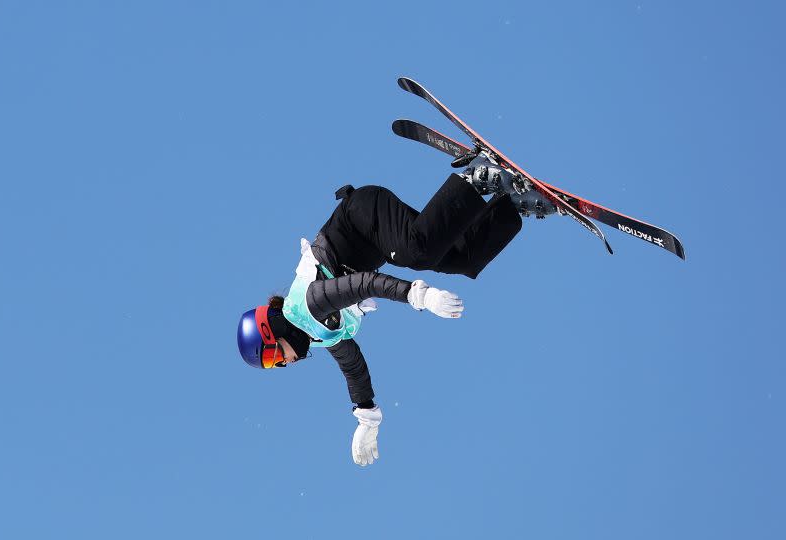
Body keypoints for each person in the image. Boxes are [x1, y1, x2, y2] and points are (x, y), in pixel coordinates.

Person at [236, 153, 556, 466]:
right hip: (378, 238)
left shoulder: (310, 304)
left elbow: (364, 284)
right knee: (463, 260)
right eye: (274, 365)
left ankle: (477, 178)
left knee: (419, 252)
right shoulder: (318, 332)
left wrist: (418, 296)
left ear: (274, 329)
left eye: (272, 356)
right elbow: (353, 367)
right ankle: (514, 203)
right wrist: (367, 419)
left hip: (362, 216)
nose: (284, 363)